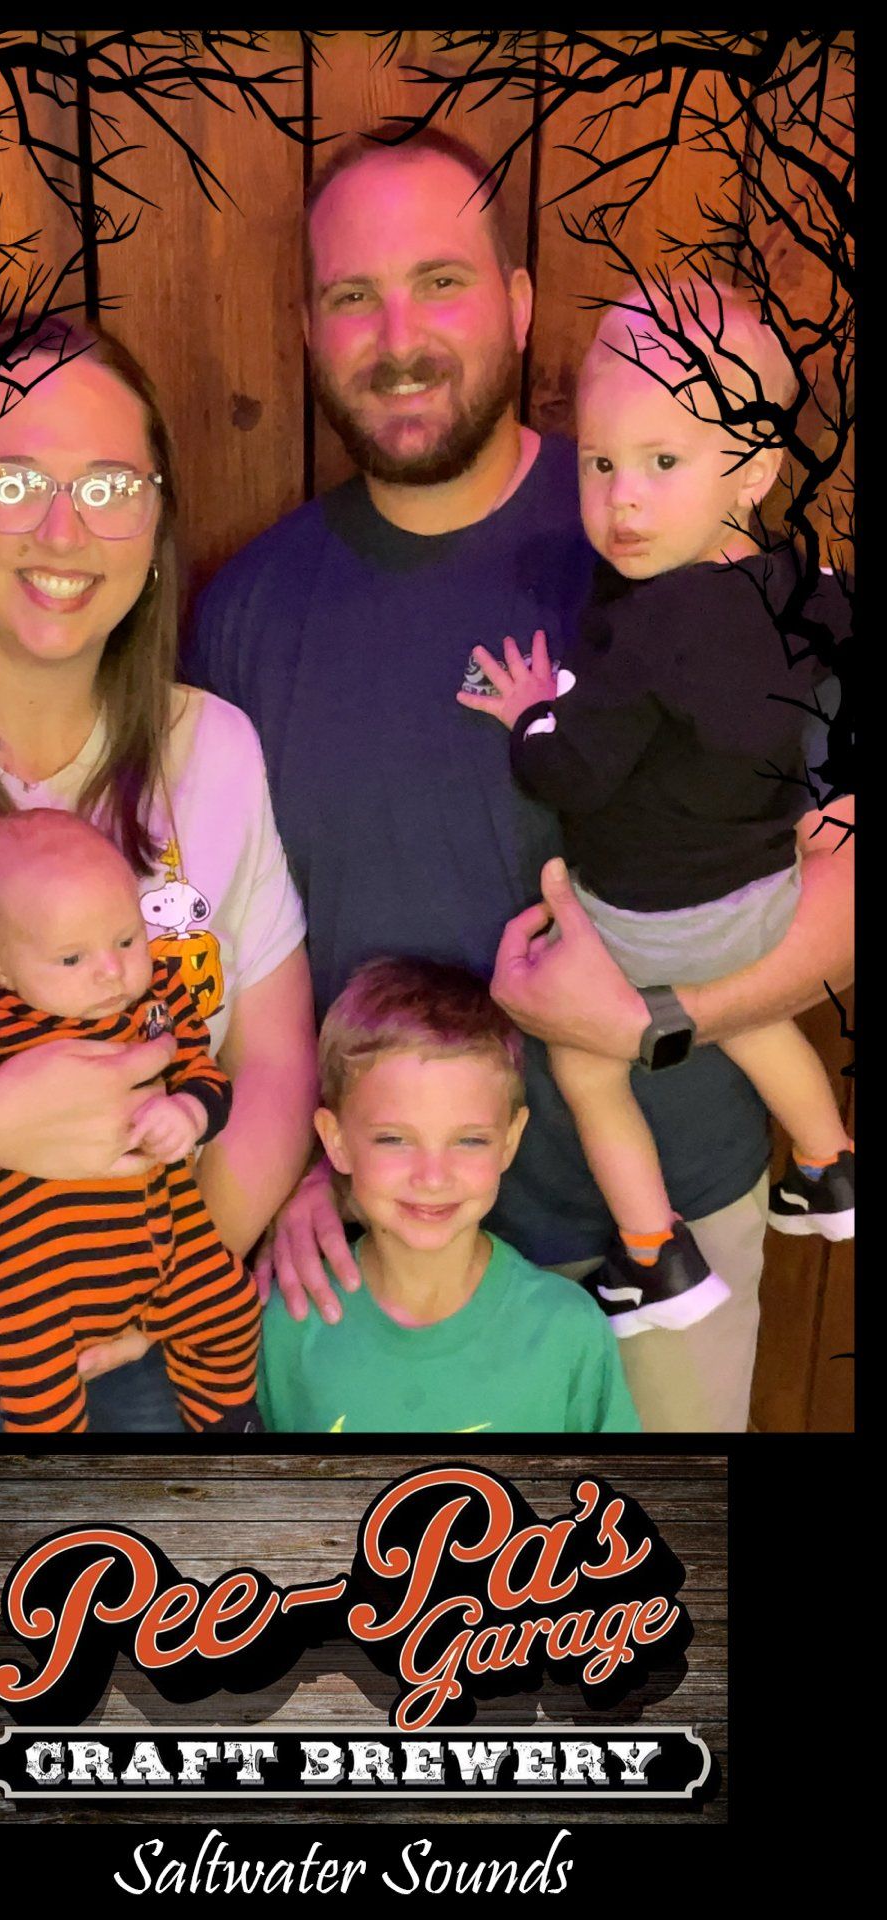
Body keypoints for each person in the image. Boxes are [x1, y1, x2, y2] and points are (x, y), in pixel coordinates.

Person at [184, 130, 854, 1432]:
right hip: (383, 1257)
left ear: (520, 300)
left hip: (665, 1233)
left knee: (645, 1560)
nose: (399, 337)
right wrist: (302, 1164)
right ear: (308, 329)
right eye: (352, 295)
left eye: (441, 281)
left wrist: (663, 1019)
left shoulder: (670, 534)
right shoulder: (246, 617)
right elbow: (228, 956)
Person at [0, 311, 315, 1432]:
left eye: (109, 486)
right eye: (13, 482)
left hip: (158, 1318)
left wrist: (174, 1291)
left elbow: (275, 1061)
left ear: (155, 521)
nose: (63, 529)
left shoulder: (216, 751)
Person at [457, 282, 853, 1337]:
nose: (623, 500)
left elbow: (571, 774)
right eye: (600, 465)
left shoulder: (640, 633)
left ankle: (652, 1256)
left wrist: (529, 715)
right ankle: (828, 1163)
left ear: (755, 469)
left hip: (654, 924)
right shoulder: (807, 587)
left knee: (587, 1063)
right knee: (755, 1013)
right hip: (766, 899)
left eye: (663, 463)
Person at [0, 811, 262, 1433]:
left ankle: (228, 1425)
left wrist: (190, 1110)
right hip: (39, 1276)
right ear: (0, 965)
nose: (111, 971)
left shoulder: (159, 997)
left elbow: (205, 1072)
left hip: (173, 1243)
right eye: (71, 958)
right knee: (34, 1389)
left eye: (127, 940)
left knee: (230, 1308)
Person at [257, 958, 639, 1432]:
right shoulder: (290, 1324)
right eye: (394, 1139)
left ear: (510, 1140)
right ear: (335, 1141)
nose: (433, 1178)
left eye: (469, 1140)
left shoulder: (566, 1331)